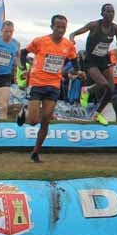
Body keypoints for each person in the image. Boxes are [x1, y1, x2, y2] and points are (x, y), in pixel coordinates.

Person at [17, 15, 81, 163]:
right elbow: (24, 52)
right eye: (57, 27)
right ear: (52, 27)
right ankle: (24, 112)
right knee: (33, 121)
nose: (60, 30)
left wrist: (77, 71)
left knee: (46, 119)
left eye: (63, 27)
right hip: (37, 82)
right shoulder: (40, 41)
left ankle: (35, 152)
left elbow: (74, 61)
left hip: (54, 85)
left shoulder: (68, 45)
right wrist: (22, 66)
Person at [69, 4, 117, 125]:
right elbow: (73, 33)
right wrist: (72, 39)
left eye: (112, 12)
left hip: (104, 60)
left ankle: (97, 114)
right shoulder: (94, 25)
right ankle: (86, 91)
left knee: (110, 89)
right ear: (102, 13)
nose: (110, 14)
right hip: (91, 61)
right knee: (103, 84)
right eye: (107, 11)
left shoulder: (116, 28)